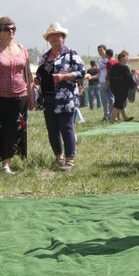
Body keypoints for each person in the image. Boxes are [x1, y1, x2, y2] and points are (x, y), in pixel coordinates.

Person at [0, 16, 32, 174]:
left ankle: (7, 163)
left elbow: (28, 74)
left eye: (13, 28)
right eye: (6, 28)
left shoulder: (22, 50)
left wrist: (32, 95)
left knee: (14, 129)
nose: (11, 31)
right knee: (1, 130)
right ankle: (5, 164)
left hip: (20, 96)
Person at [35, 23, 83, 169]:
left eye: (58, 35)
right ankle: (58, 157)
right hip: (48, 98)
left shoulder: (71, 54)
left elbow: (81, 73)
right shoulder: (44, 57)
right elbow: (40, 75)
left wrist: (63, 77)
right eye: (52, 35)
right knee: (52, 129)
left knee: (66, 127)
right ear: (48, 39)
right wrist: (38, 79)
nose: (55, 38)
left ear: (63, 37)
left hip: (66, 98)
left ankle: (70, 158)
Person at [107, 50, 136, 123]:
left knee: (119, 102)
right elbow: (129, 78)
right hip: (122, 88)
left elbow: (110, 77)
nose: (128, 58)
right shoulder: (124, 67)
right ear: (122, 58)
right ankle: (112, 119)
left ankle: (125, 117)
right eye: (127, 57)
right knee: (118, 103)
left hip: (114, 87)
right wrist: (135, 86)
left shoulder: (113, 67)